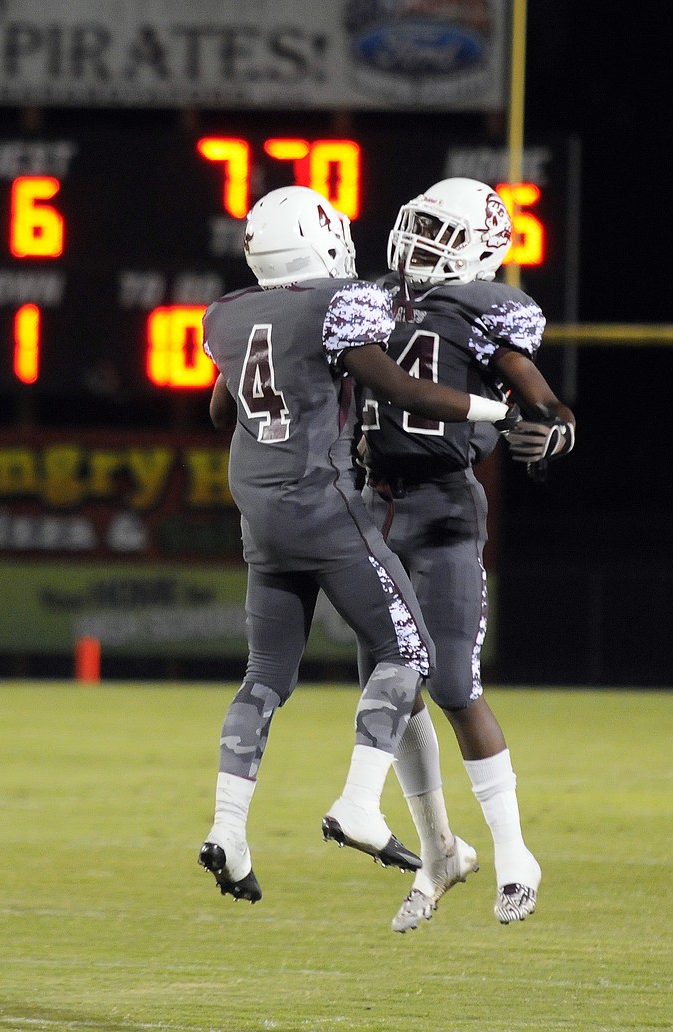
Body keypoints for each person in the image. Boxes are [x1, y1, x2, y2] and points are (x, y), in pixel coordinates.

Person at [197, 185, 520, 904]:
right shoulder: (338, 301)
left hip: (256, 512)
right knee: (410, 654)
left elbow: (221, 409)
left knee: (264, 676)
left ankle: (229, 828)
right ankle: (359, 803)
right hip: (324, 507)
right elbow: (406, 391)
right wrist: (501, 406)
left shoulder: (226, 314)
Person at [355, 177, 576, 930]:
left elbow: (542, 400)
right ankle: (439, 850)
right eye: (418, 226)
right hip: (371, 506)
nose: (420, 243)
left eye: (440, 233)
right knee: (393, 688)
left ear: (479, 248)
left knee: (451, 681)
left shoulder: (486, 308)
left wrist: (554, 428)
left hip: (444, 505)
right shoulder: (371, 297)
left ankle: (514, 854)